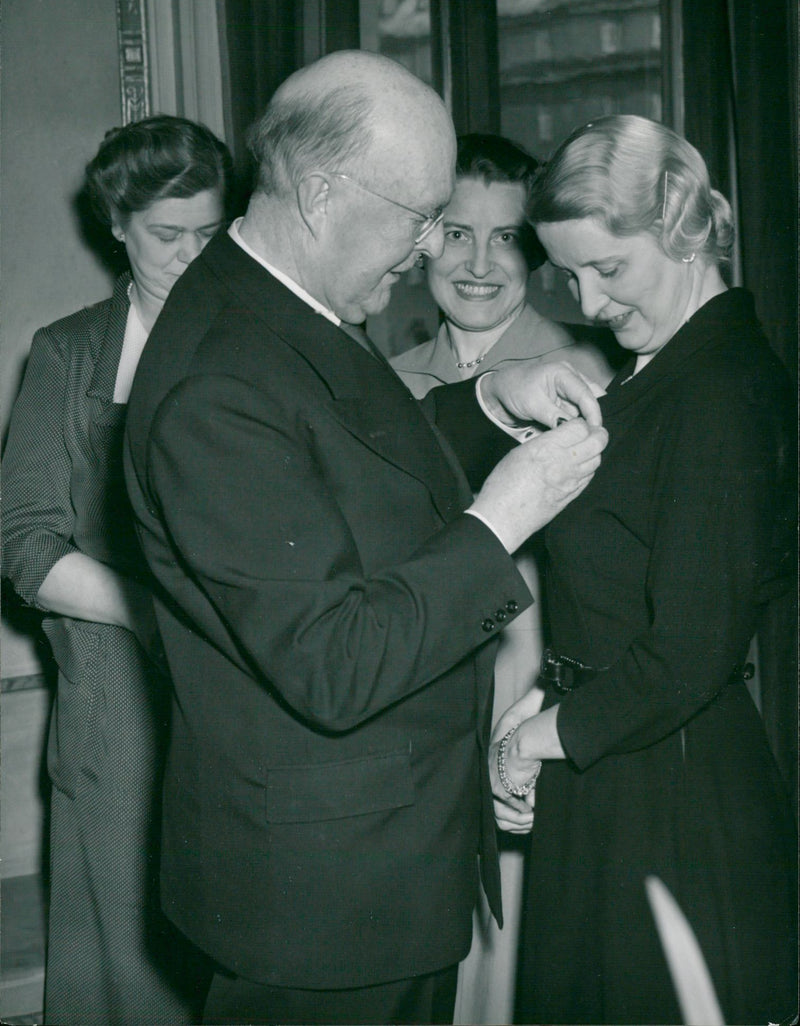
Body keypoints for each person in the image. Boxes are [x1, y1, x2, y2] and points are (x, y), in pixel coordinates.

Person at [123, 50, 608, 1026]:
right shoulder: (216, 381)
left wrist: (488, 398)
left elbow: (344, 460)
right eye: (420, 217)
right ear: (319, 193)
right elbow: (332, 661)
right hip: (321, 908)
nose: (430, 250)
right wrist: (503, 515)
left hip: (373, 873)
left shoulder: (272, 299)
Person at [486, 114, 797, 1025]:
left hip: (672, 795)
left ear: (682, 228)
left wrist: (533, 741)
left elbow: (691, 651)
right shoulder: (666, 370)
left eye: (608, 269)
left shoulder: (718, 390)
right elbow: (622, 600)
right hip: (627, 767)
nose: (589, 302)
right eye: (569, 275)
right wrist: (544, 702)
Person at [2, 115, 231, 1026]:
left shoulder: (253, 343)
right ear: (116, 226)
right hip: (118, 719)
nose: (190, 257)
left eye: (209, 233)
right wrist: (153, 610)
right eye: (166, 235)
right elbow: (26, 547)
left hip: (241, 719)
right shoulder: (70, 355)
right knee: (132, 981)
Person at [391, 132, 613, 1025]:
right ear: (421, 241)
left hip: (539, 718)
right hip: (422, 732)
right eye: (456, 232)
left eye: (507, 238)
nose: (478, 263)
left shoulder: (589, 375)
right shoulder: (385, 384)